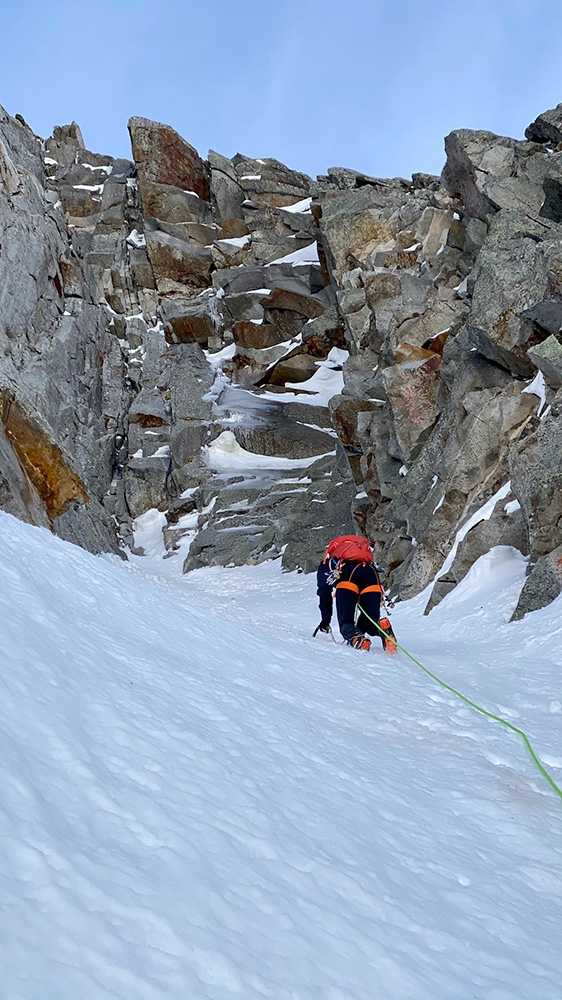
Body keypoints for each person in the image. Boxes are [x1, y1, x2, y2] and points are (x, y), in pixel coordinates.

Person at [315, 534, 397, 653]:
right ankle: (383, 629)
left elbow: (324, 593)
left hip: (348, 579)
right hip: (371, 575)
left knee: (346, 624)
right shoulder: (366, 563)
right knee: (369, 621)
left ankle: (358, 640)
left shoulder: (327, 564)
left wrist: (325, 621)